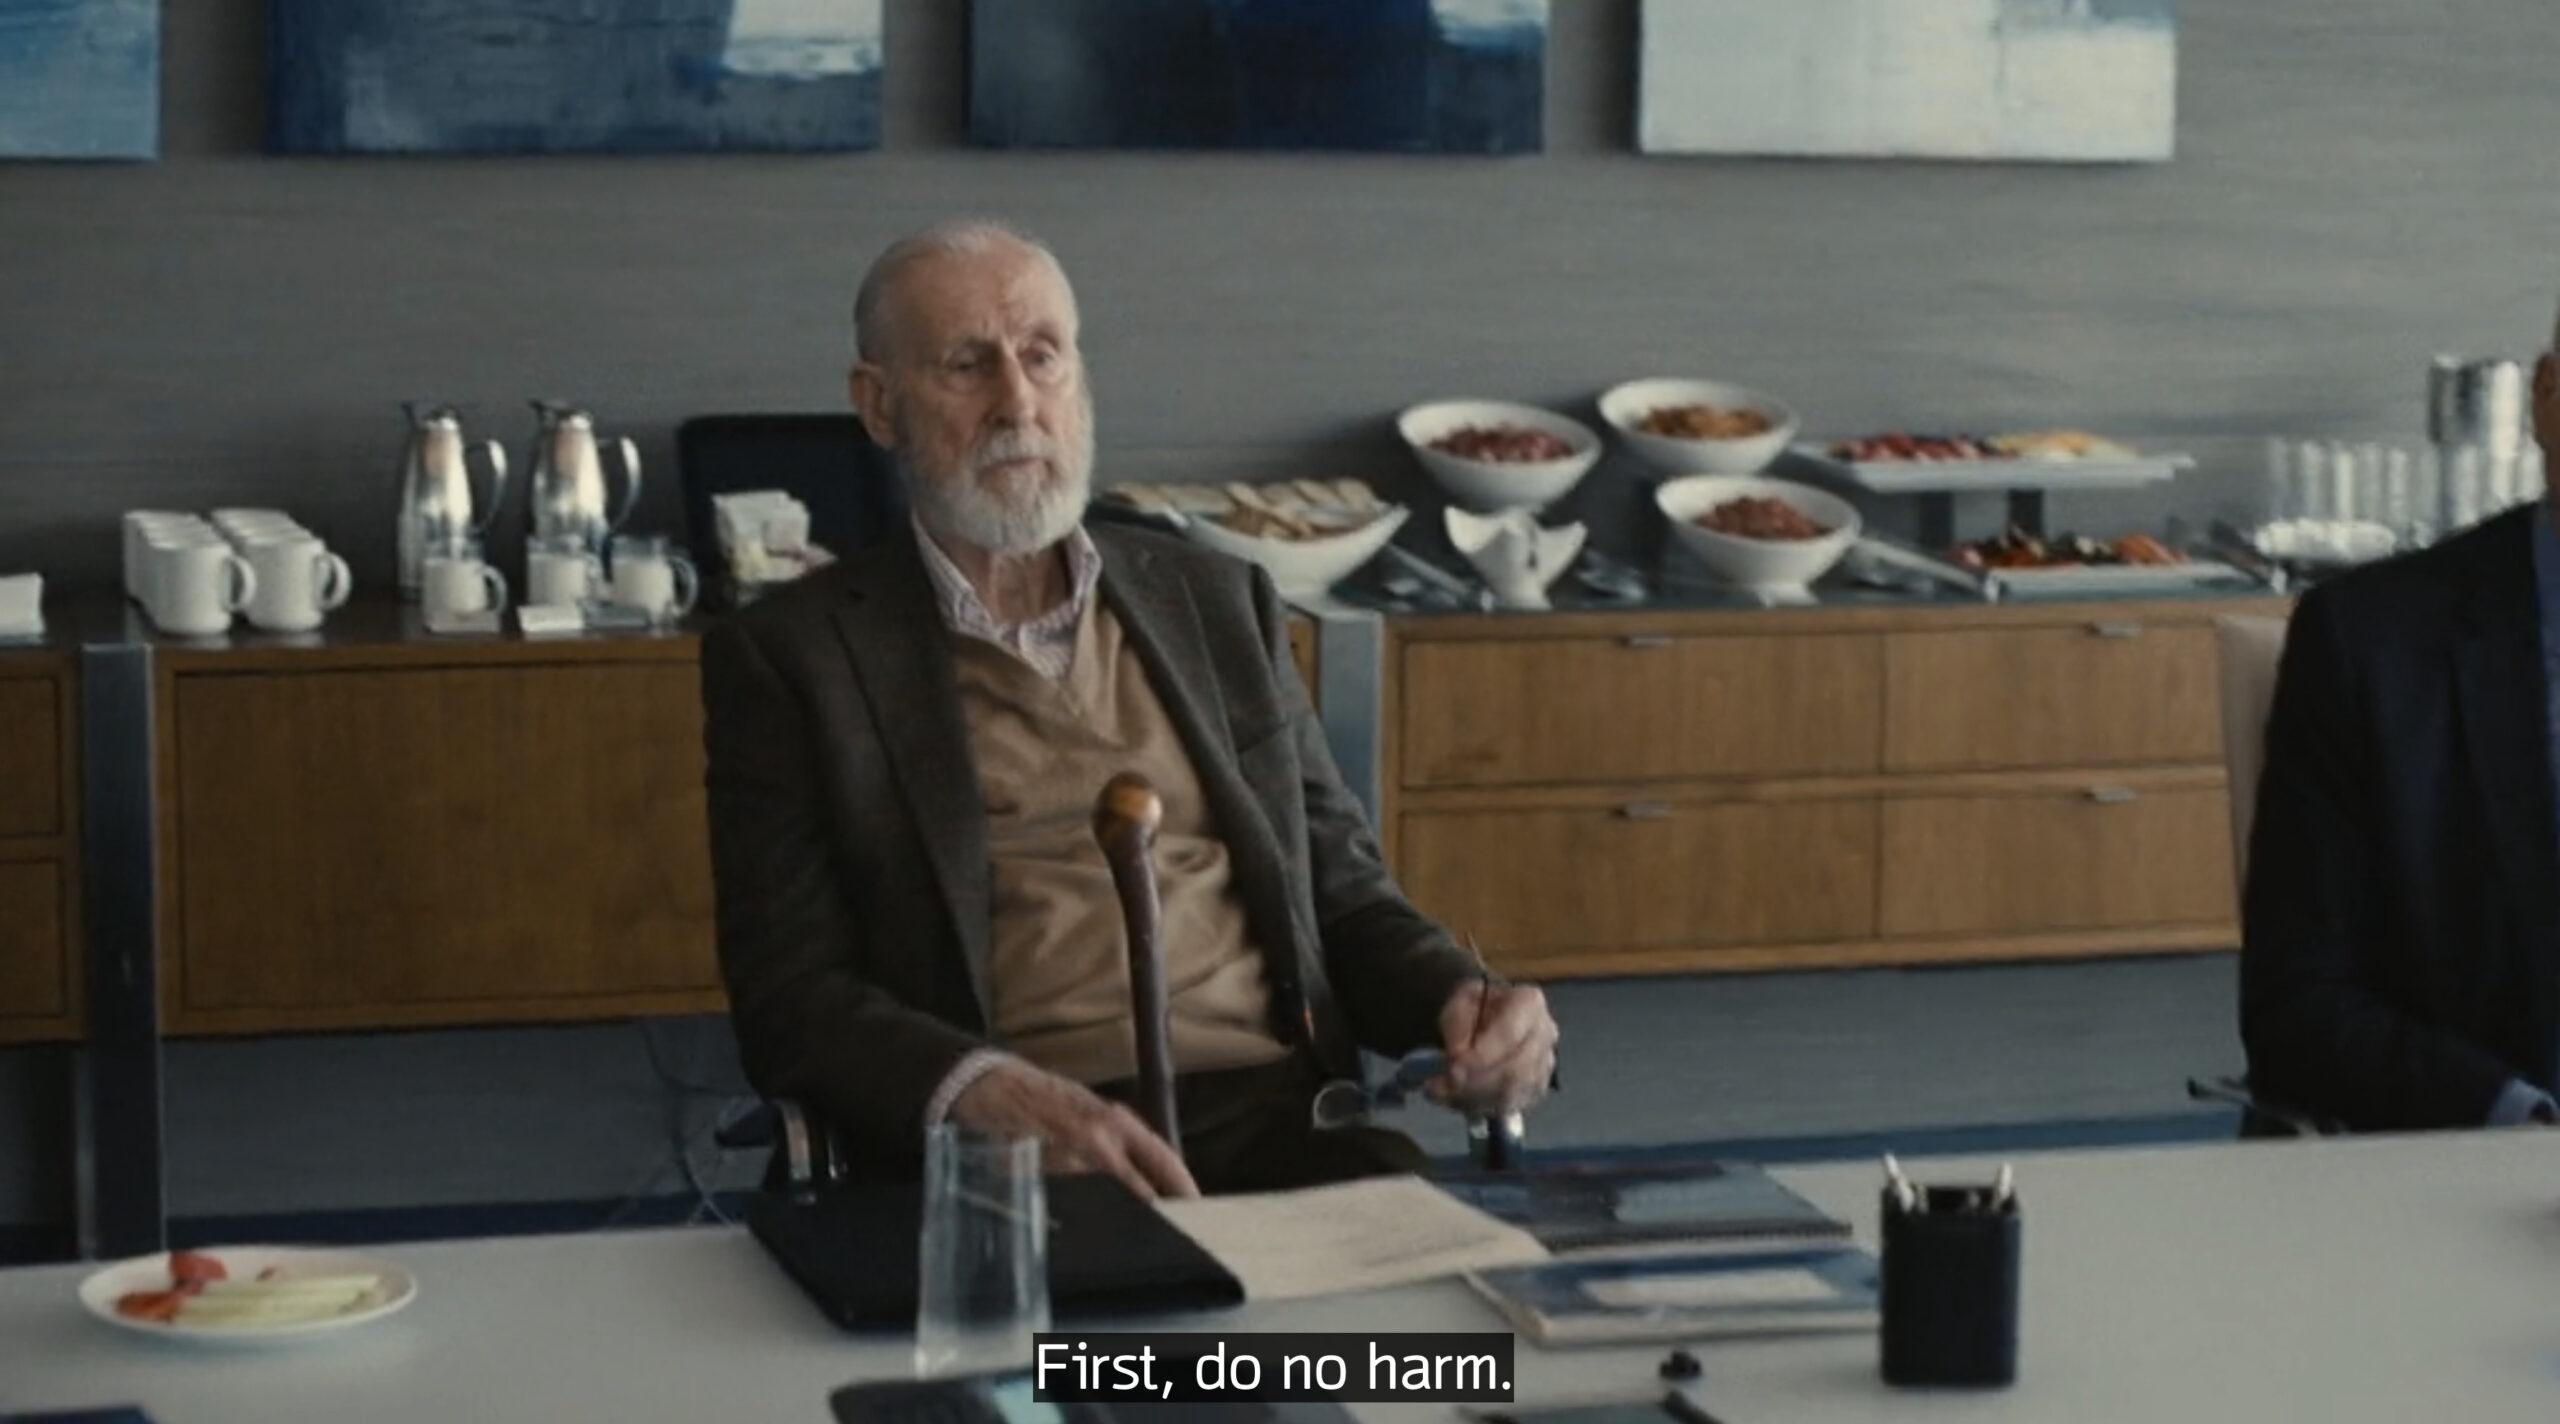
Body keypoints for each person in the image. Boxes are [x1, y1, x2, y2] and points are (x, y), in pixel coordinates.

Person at [701, 220, 1559, 1197]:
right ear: (879, 404)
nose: (1017, 403)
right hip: (1022, 1149)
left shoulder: (1215, 601)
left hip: (1277, 1124)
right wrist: (983, 1094)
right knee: (1119, 1310)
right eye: (966, 366)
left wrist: (1466, 999)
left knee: (1449, 1301)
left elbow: (1343, 897)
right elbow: (792, 998)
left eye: (1042, 356)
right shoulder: (797, 656)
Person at [2240, 340, 2560, 1131]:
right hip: (2483, 1158)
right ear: (2547, 398)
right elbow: (2298, 1004)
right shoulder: (2370, 644)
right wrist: (2521, 1119)